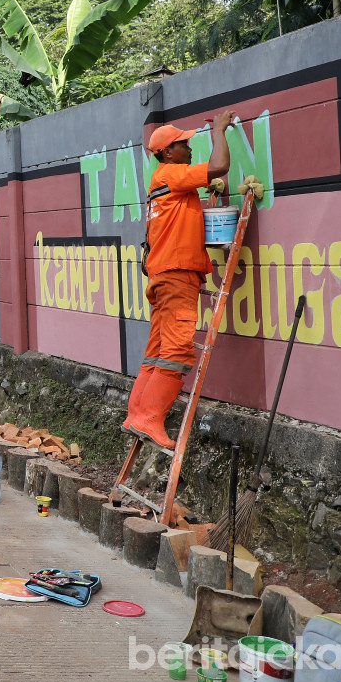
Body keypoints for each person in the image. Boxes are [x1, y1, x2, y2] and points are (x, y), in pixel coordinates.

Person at [122, 109, 235, 449]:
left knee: (157, 351)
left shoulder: (165, 183)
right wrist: (219, 131)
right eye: (183, 144)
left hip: (163, 274)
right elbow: (219, 167)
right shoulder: (171, 173)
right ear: (167, 153)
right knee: (176, 350)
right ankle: (150, 419)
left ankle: (137, 414)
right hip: (176, 275)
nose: (189, 147)